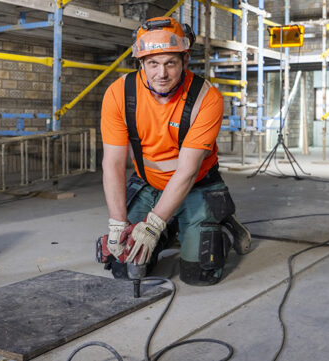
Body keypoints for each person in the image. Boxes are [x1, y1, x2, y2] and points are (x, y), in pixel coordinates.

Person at [100, 16, 252, 286]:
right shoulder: (119, 93)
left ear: (185, 60)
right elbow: (112, 163)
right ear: (141, 63)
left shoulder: (206, 98)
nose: (161, 73)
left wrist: (152, 226)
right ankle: (171, 228)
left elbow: (187, 171)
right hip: (148, 184)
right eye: (153, 63)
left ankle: (223, 227)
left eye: (170, 62)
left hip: (196, 185)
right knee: (124, 268)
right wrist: (117, 224)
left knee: (200, 275)